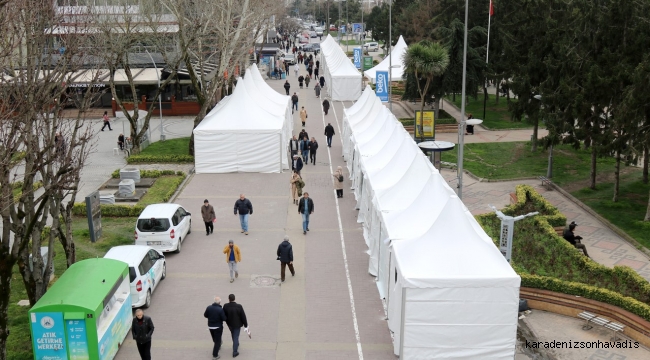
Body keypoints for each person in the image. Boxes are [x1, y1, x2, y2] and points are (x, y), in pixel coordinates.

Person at [223, 294, 248, 358]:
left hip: (230, 324)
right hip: (237, 324)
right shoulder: (239, 306)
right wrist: (246, 325)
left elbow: (223, 315)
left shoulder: (225, 306)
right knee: (236, 336)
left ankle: (236, 343)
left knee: (233, 334)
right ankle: (235, 352)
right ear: (234, 298)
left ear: (229, 299)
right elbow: (243, 316)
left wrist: (226, 320)